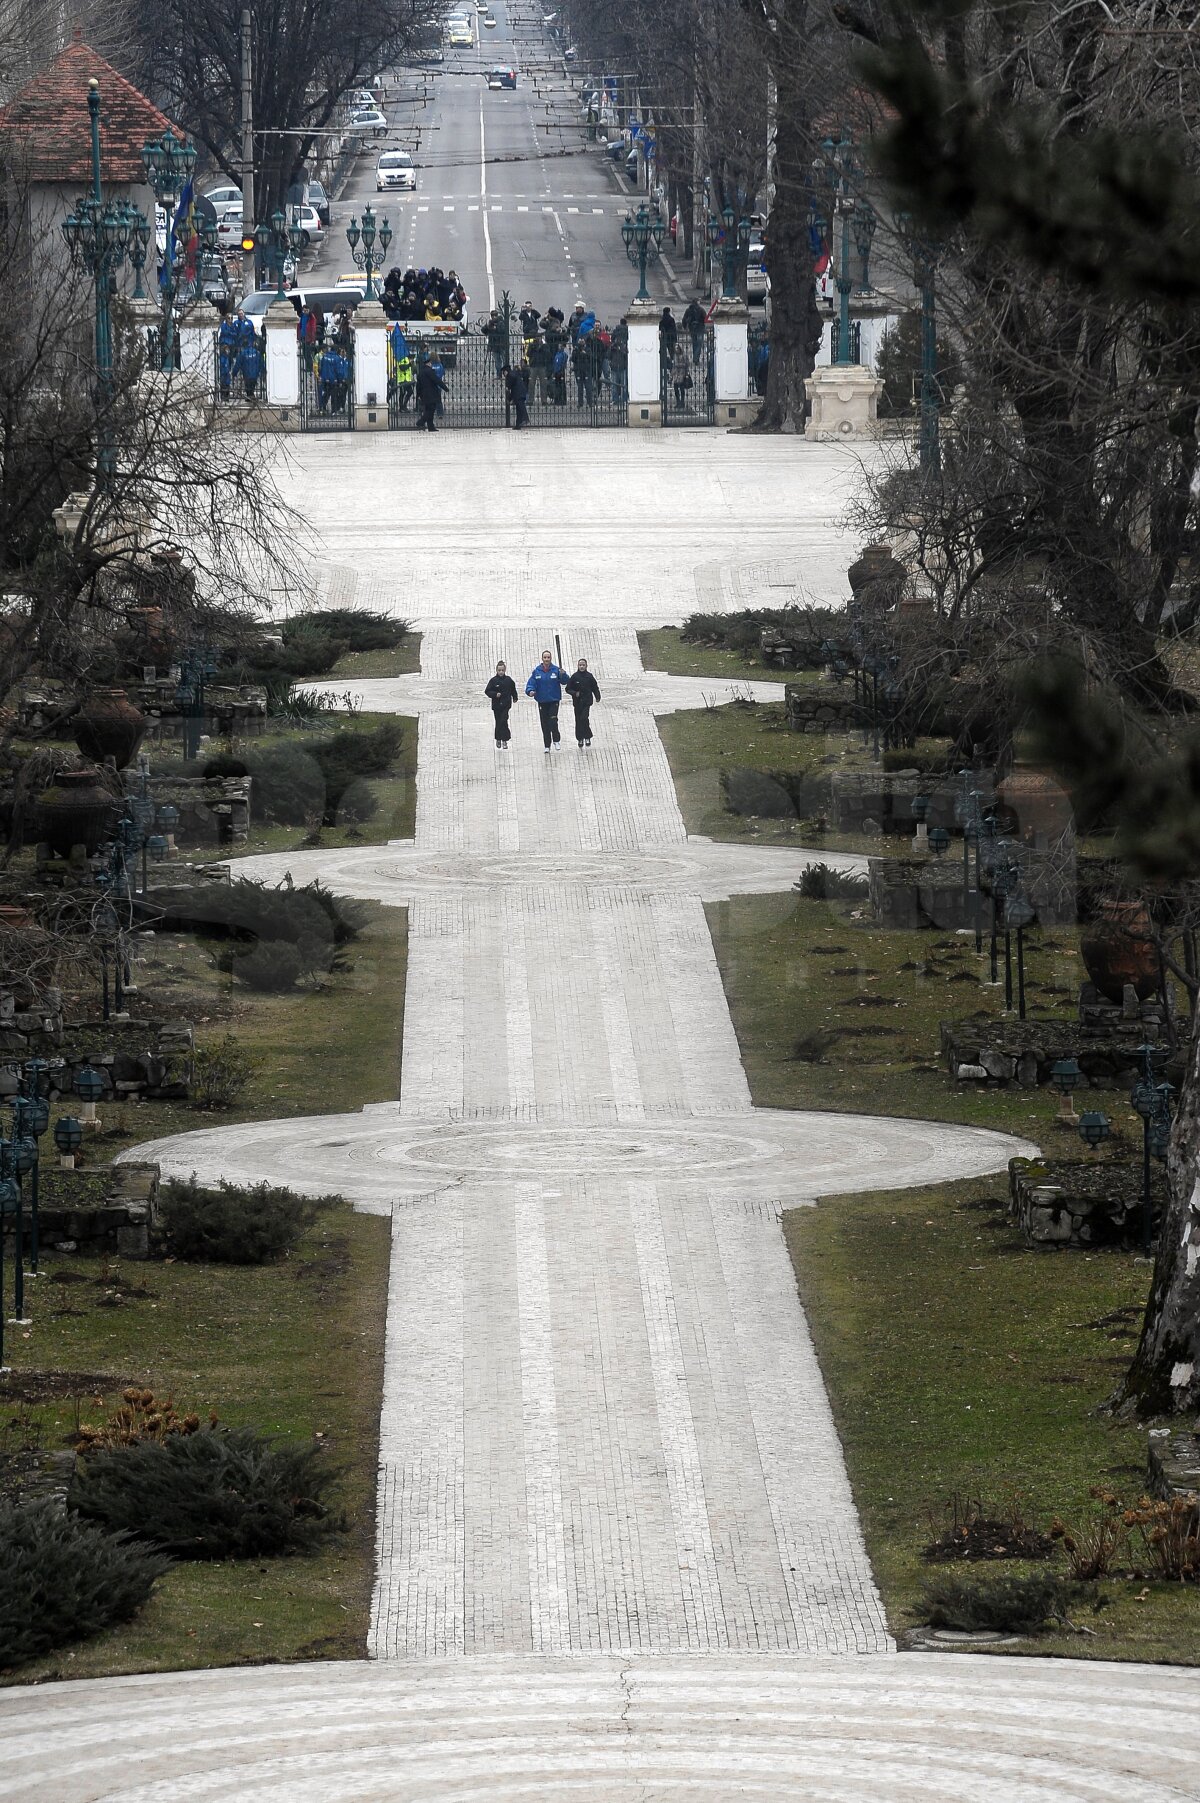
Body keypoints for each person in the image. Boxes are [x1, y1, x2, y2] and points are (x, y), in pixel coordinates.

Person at [525, 649, 567, 751]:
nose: (546, 659)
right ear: (542, 658)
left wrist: (563, 674)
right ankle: (547, 745)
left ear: (551, 658)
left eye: (548, 657)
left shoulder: (556, 670)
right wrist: (530, 691)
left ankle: (556, 740)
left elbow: (565, 681)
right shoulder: (537, 671)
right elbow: (531, 683)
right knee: (544, 723)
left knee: (553, 720)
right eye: (545, 657)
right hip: (542, 701)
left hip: (553, 700)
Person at [564, 658, 601, 748]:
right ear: (578, 666)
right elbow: (568, 688)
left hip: (587, 702)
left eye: (583, 665)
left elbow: (595, 687)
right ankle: (580, 738)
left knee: (584, 718)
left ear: (586, 666)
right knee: (578, 720)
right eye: (580, 665)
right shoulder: (574, 677)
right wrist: (574, 693)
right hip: (577, 703)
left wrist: (597, 696)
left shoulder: (589, 676)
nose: (581, 667)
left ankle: (587, 736)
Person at [484, 660, 519, 747]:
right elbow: (487, 691)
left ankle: (505, 739)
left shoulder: (509, 680)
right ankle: (498, 739)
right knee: (498, 722)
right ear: (496, 670)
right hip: (496, 706)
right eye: (499, 670)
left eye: (502, 670)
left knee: (504, 721)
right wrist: (495, 694)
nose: (501, 672)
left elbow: (513, 689)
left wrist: (515, 697)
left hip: (506, 705)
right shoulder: (493, 681)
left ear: (505, 670)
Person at [415, 354, 446, 430]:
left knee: (428, 409)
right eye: (430, 363)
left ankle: (431, 426)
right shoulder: (429, 371)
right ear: (428, 363)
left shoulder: (421, 372)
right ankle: (421, 422)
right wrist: (445, 388)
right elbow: (437, 380)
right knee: (431, 410)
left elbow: (418, 385)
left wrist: (418, 394)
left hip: (424, 394)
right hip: (431, 393)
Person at [502, 362, 530, 428]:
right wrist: (510, 398)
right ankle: (518, 424)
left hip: (519, 393)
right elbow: (512, 389)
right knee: (518, 408)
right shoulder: (513, 374)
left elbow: (509, 387)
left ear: (506, 371)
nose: (503, 375)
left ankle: (525, 419)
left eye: (503, 373)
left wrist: (508, 387)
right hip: (518, 392)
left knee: (521, 407)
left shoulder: (511, 375)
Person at [682, 297, 706, 364]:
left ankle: (695, 358)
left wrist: (684, 327)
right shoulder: (701, 309)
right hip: (700, 328)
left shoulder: (688, 310)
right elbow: (705, 318)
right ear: (697, 302)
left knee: (694, 343)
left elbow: (684, 319)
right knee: (699, 343)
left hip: (692, 328)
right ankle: (696, 358)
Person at [671, 341, 693, 410]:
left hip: (682, 373)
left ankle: (682, 402)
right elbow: (673, 365)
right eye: (675, 348)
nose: (676, 349)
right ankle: (678, 402)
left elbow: (687, 364)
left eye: (677, 348)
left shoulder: (684, 355)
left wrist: (686, 373)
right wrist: (671, 375)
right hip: (676, 374)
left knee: (681, 389)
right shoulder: (674, 355)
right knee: (675, 389)